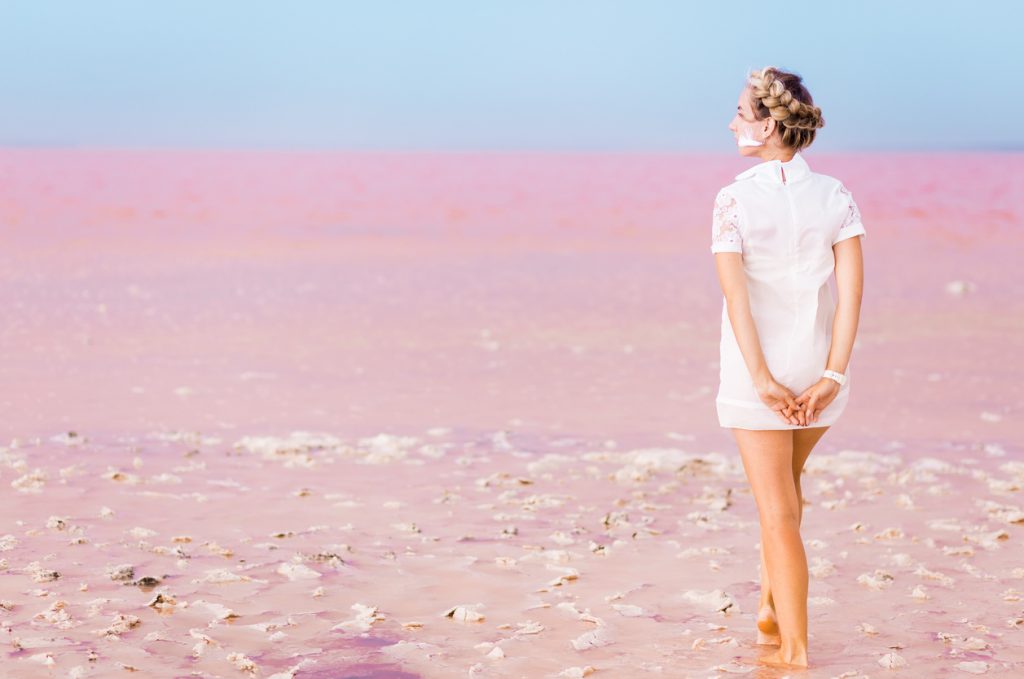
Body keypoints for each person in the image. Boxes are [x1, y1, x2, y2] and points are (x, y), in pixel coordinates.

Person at [710, 65, 866, 668]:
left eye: (741, 115)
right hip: (820, 375)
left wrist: (763, 380)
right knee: (789, 495)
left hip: (762, 377)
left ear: (769, 125)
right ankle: (772, 609)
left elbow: (736, 298)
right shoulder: (835, 194)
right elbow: (851, 296)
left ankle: (793, 651)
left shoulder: (733, 198)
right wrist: (832, 376)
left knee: (777, 512)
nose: (731, 123)